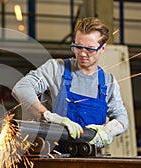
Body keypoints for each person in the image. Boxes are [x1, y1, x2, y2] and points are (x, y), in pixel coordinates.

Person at [12, 17, 128, 151]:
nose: (82, 54)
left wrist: (109, 131)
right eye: (78, 47)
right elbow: (21, 88)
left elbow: (122, 118)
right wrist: (48, 116)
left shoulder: (108, 82)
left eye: (89, 49)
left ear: (102, 48)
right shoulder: (56, 69)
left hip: (90, 158)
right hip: (52, 157)